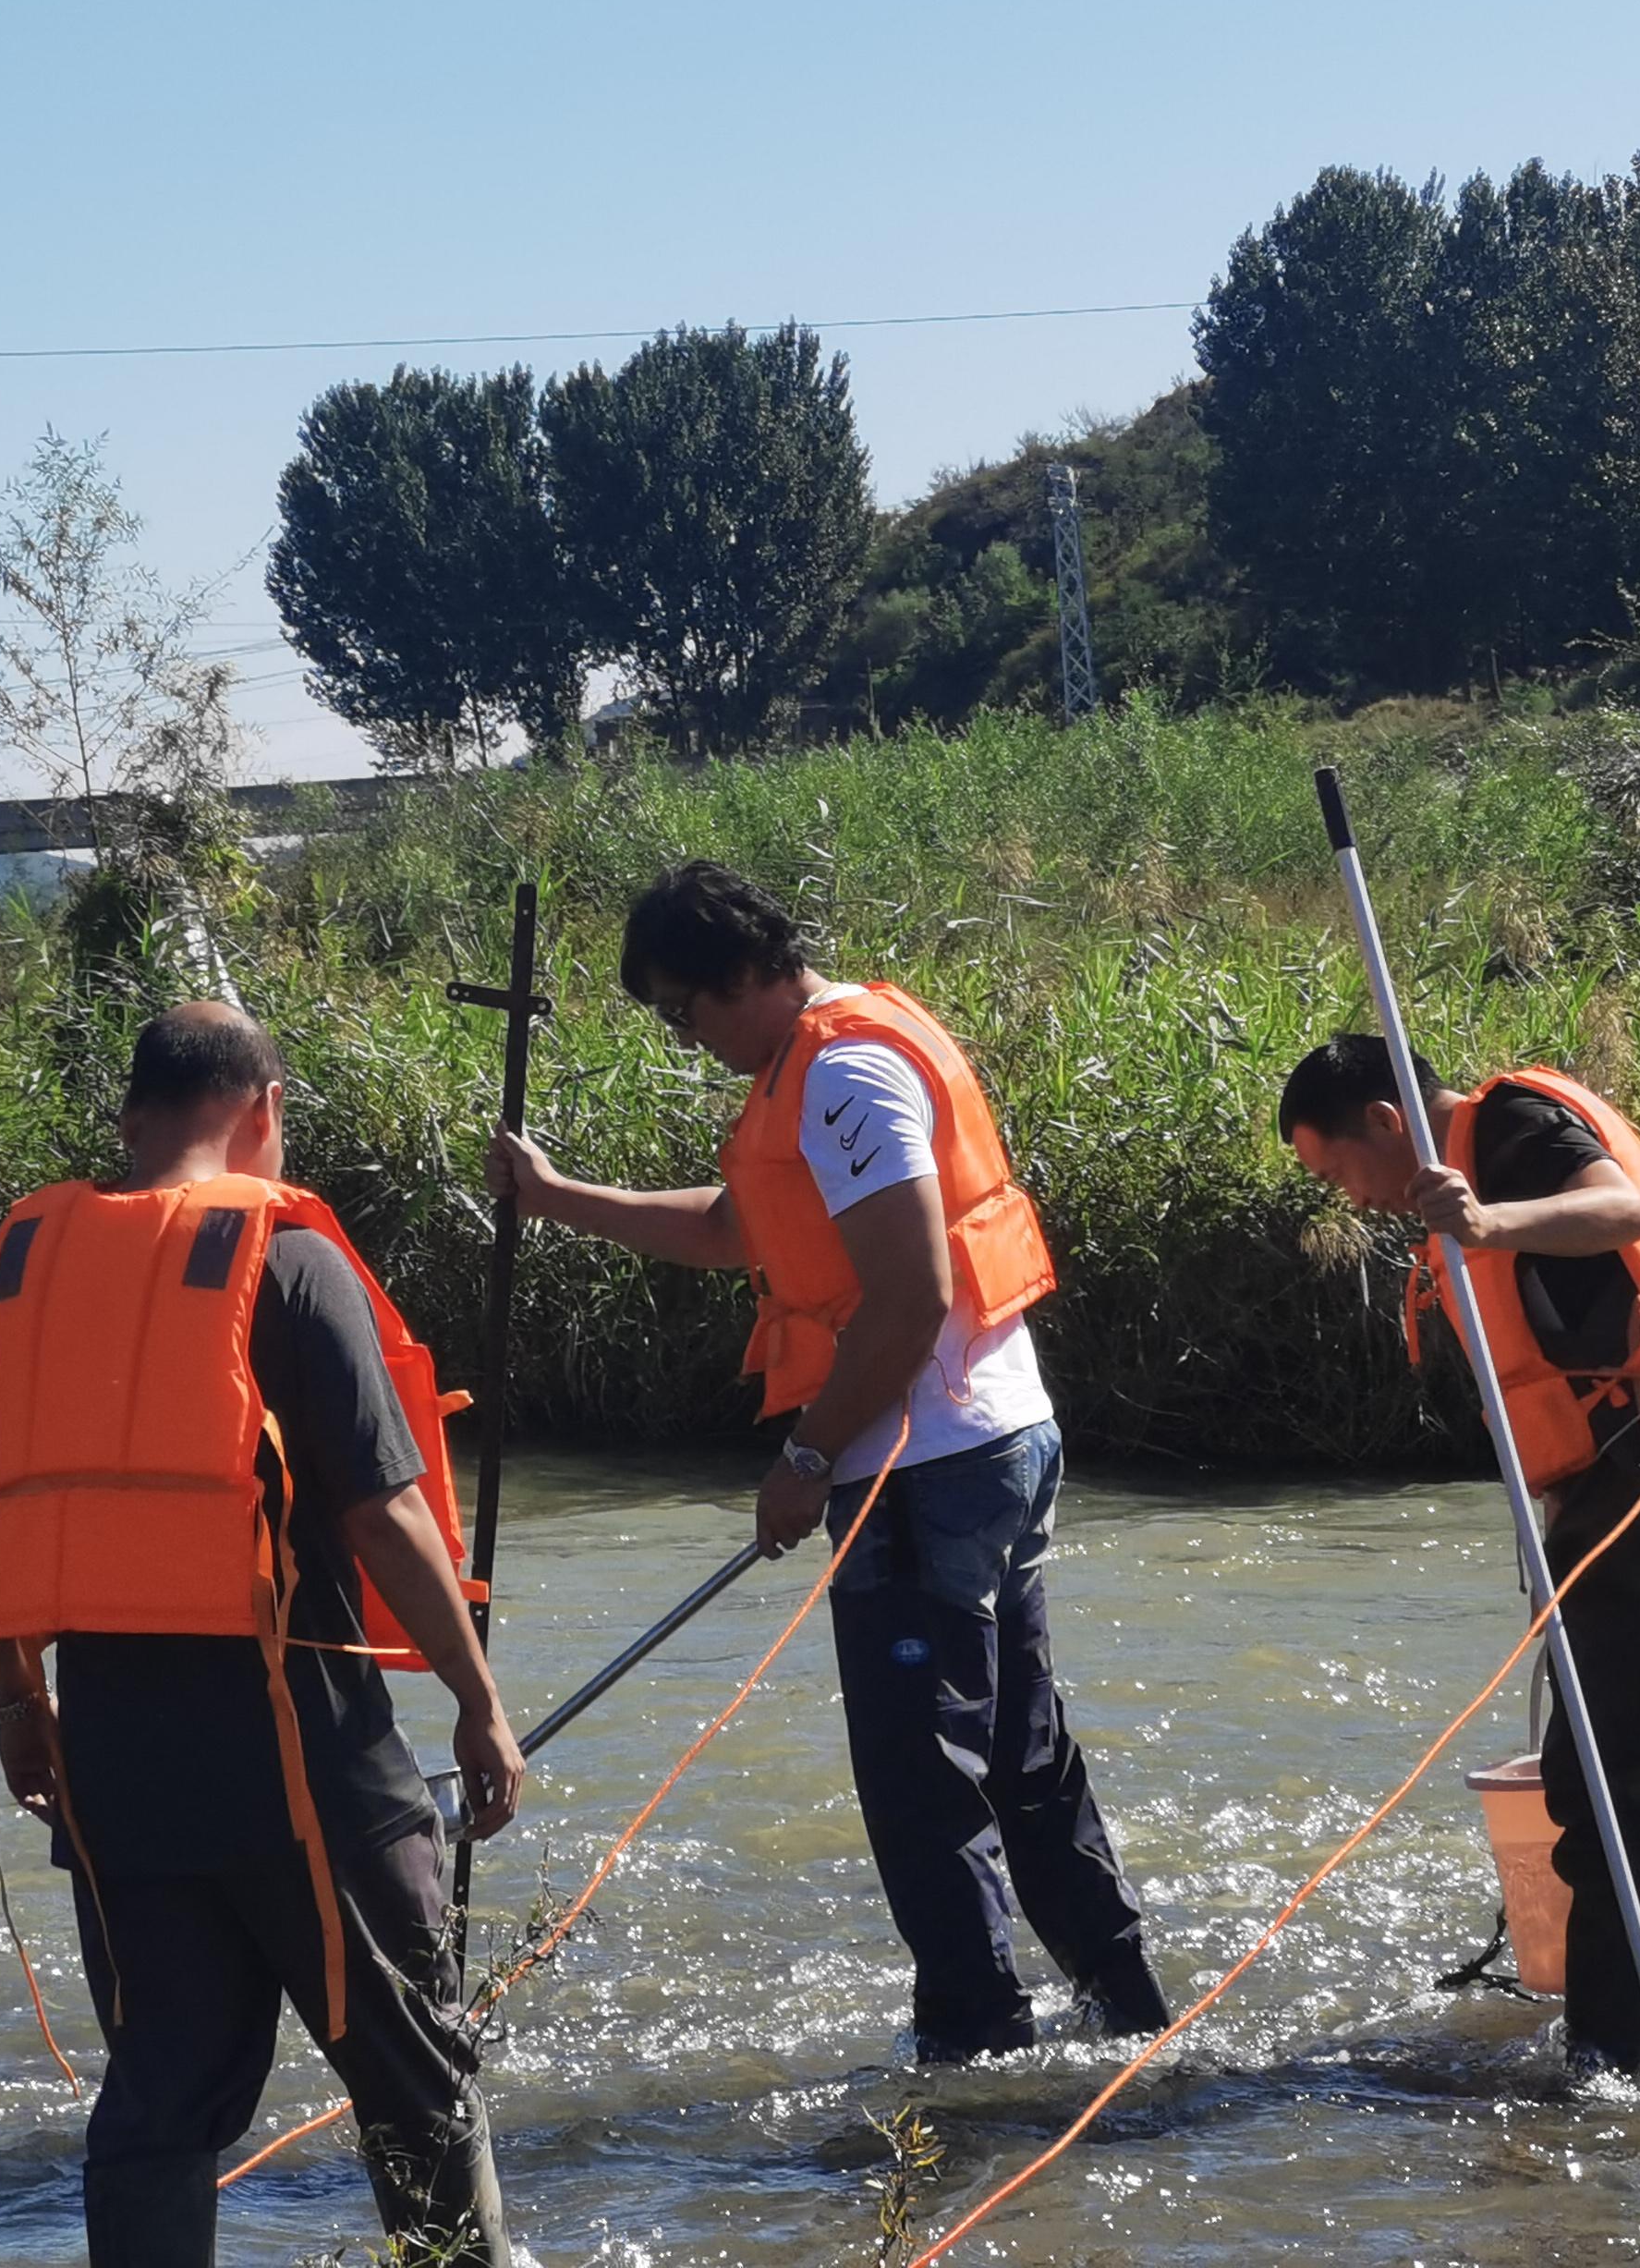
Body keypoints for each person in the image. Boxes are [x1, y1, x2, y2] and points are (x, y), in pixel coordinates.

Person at [487, 860, 1171, 2063]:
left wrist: (808, 1454)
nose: (683, 1036)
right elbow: (728, 1228)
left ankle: (975, 2057)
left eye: (683, 1008)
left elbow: (912, 1299)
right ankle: (1130, 2017)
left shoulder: (845, 1074)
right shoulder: (812, 1070)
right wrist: (555, 1200)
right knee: (1020, 1759)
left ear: (746, 973)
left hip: (927, 1463)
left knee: (925, 1787)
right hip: (984, 1446)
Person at [0, 1001, 522, 2267]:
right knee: (413, 2073)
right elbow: (384, 1522)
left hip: (113, 1759)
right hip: (301, 1748)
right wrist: (480, 1705)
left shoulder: (22, 1270)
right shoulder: (287, 1262)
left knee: (160, 2093)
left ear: (137, 1112)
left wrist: (18, 1705)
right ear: (260, 1109)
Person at [1276, 1033, 1640, 2076]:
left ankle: (1616, 2071)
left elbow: (1620, 1210)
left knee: (1611, 1787)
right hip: (1633, 1475)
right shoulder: (1470, 1166)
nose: (1351, 1197)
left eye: (1338, 1170)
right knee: (1634, 1783)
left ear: (1385, 1122)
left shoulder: (1502, 1130)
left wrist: (1489, 1220)